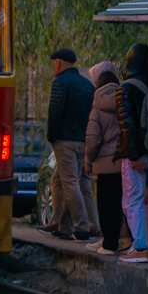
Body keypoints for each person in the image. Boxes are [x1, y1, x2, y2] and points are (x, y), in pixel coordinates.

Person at [114, 43, 148, 264]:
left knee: (133, 198)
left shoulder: (126, 88)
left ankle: (139, 247)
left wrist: (135, 155)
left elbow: (126, 124)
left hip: (137, 154)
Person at [45, 47, 100, 241]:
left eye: (54, 64)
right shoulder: (87, 85)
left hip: (64, 140)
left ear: (58, 63)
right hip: (82, 141)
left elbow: (55, 112)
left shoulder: (60, 82)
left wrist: (52, 136)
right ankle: (62, 224)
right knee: (58, 180)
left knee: (69, 182)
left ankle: (81, 225)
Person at [84, 61, 125, 254]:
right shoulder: (124, 100)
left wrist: (88, 159)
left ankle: (109, 243)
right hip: (122, 162)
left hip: (104, 163)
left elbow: (93, 138)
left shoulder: (97, 106)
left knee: (104, 203)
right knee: (117, 203)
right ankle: (114, 240)